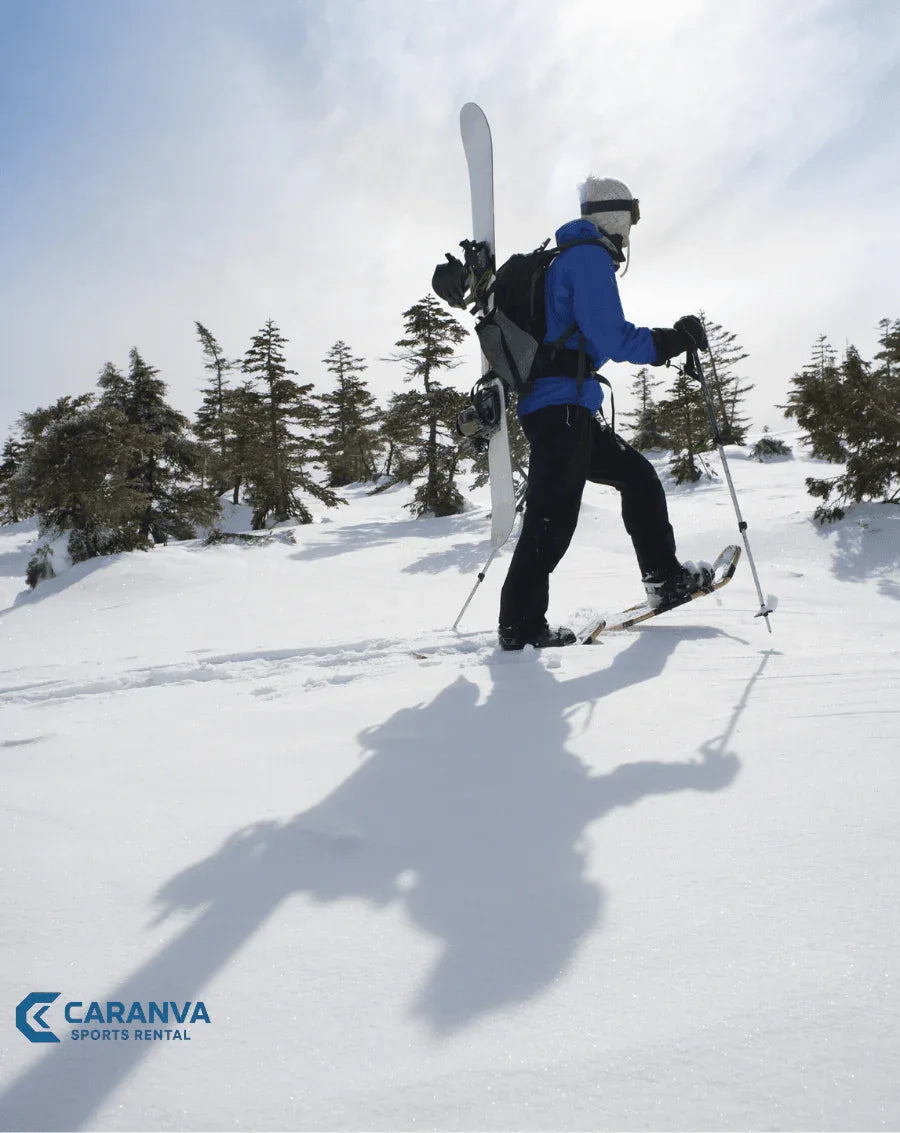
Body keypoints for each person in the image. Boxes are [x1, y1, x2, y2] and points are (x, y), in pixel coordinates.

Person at [498, 175, 711, 651]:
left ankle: (664, 578)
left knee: (638, 478)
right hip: (561, 412)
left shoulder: (567, 261)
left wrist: (664, 343)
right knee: (550, 521)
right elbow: (611, 336)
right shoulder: (588, 258)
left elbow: (590, 339)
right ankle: (520, 626)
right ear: (616, 218)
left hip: (565, 408)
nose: (631, 232)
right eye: (631, 219)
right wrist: (670, 342)